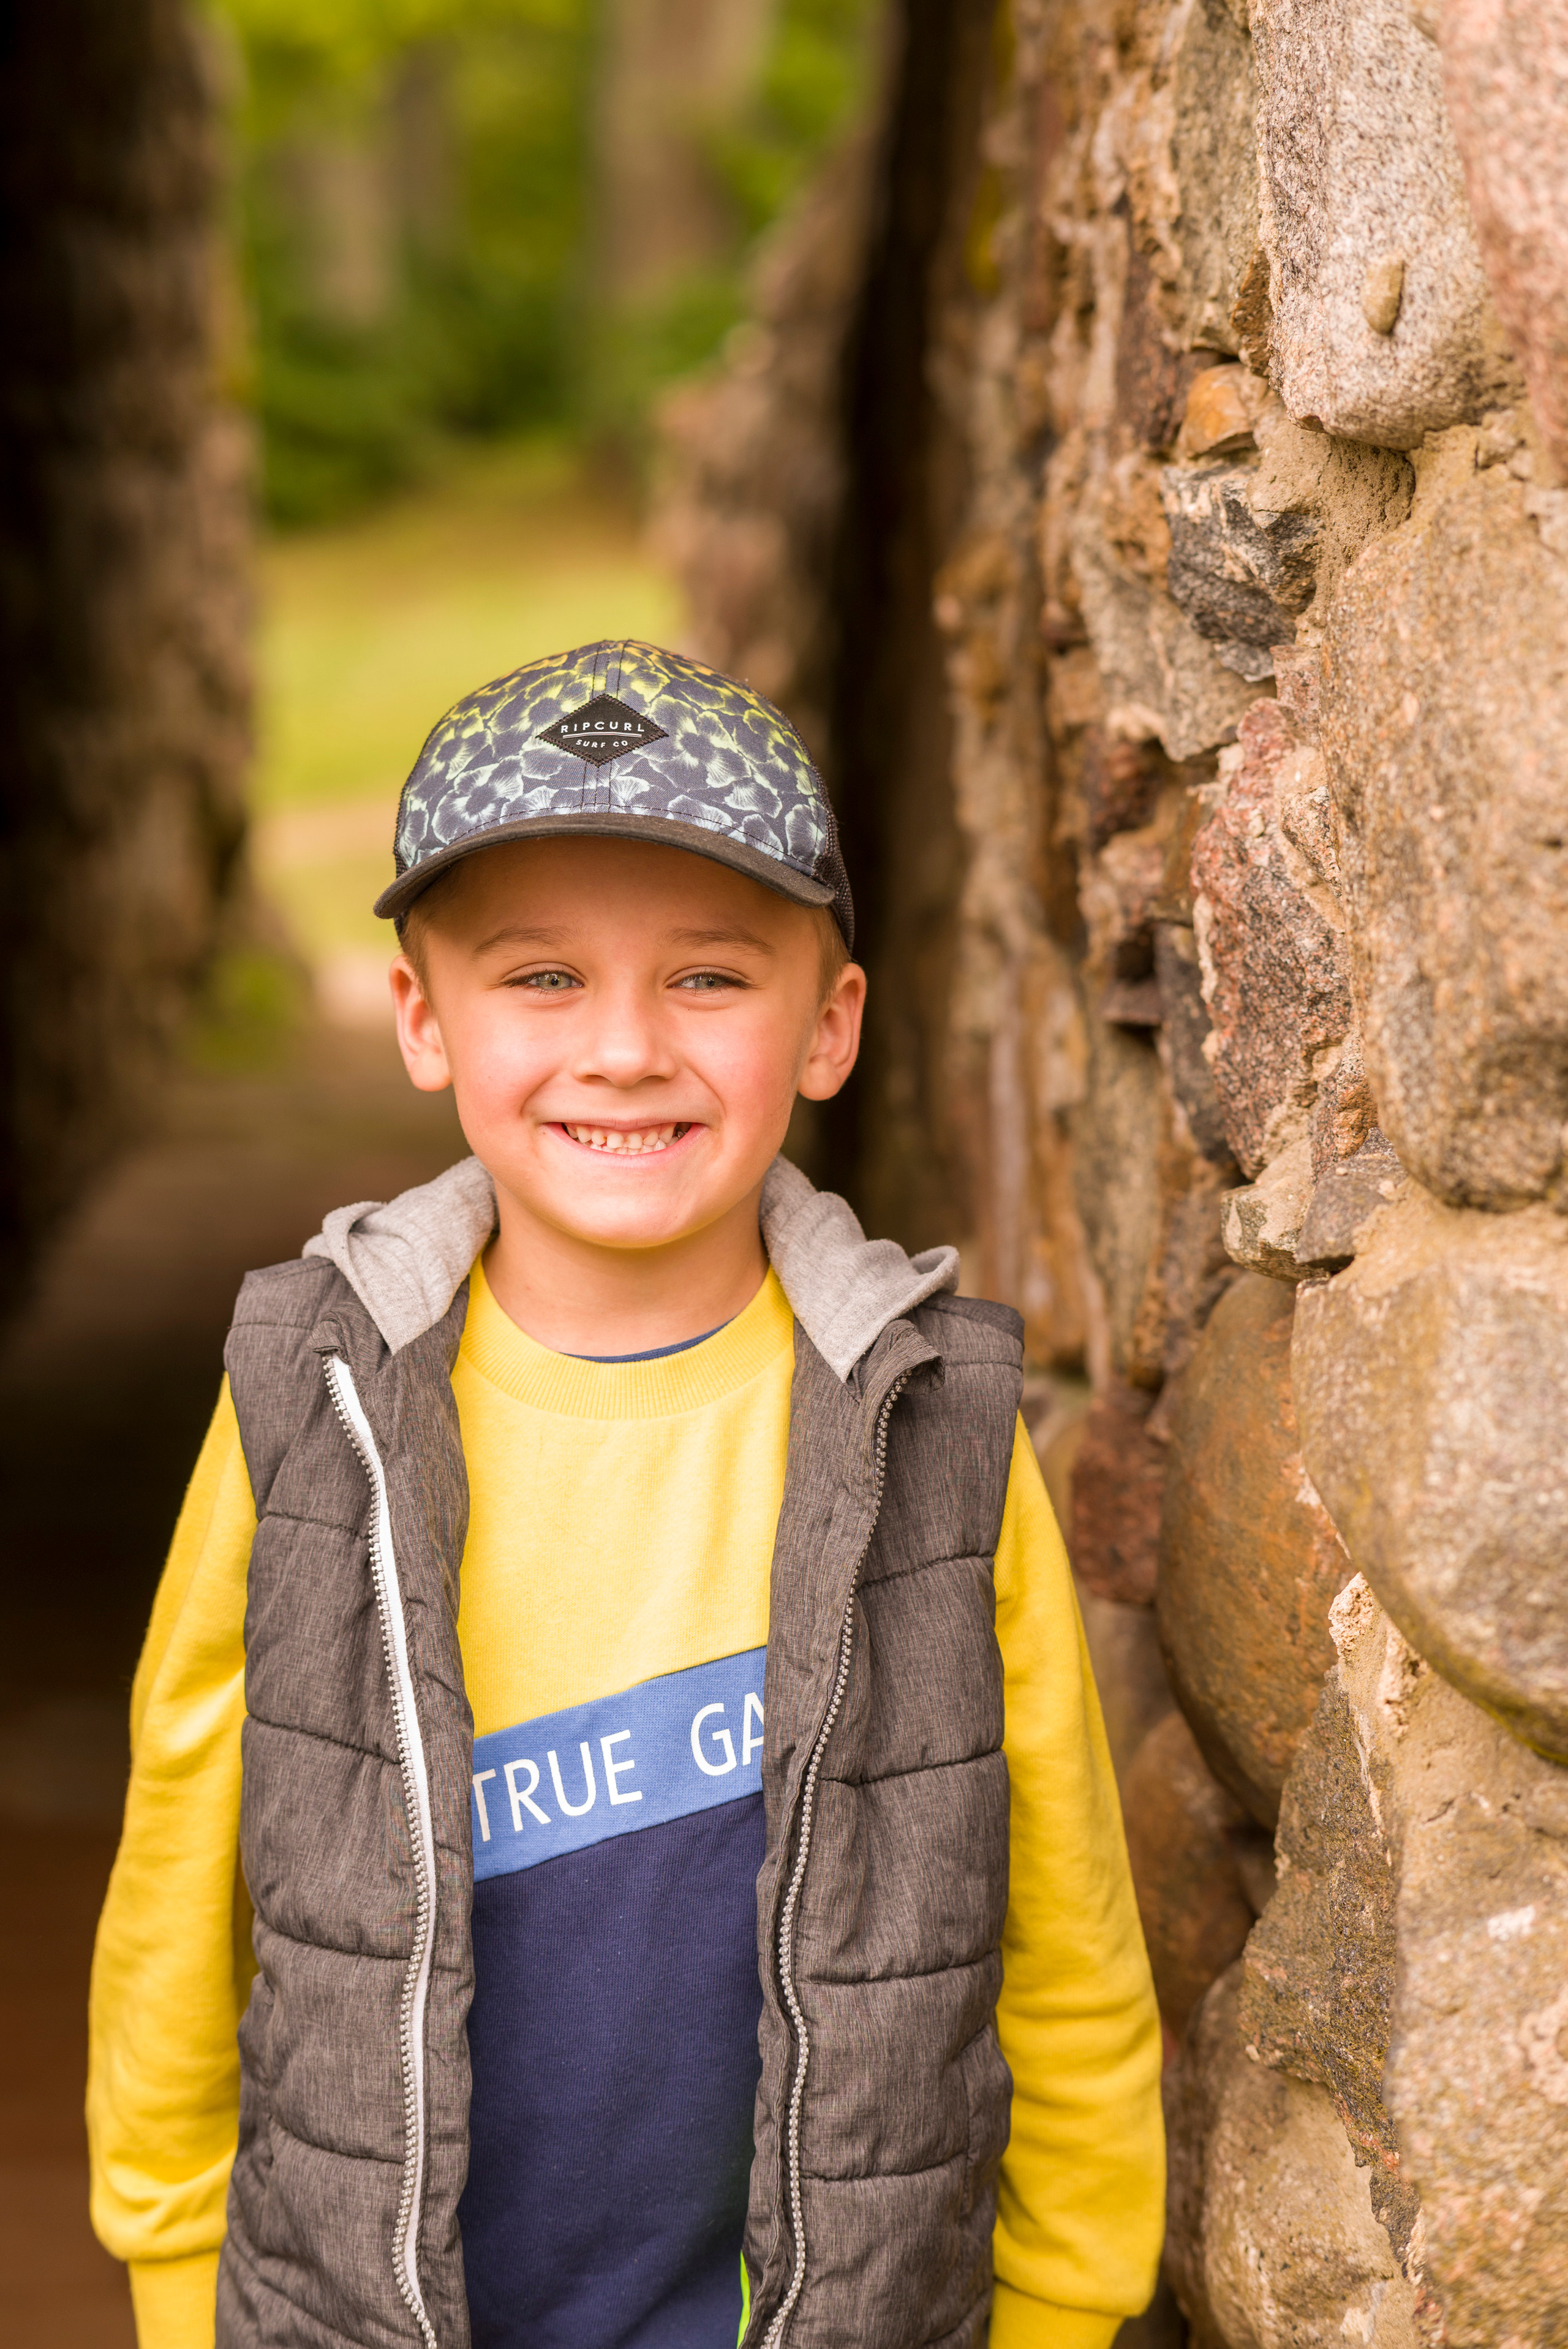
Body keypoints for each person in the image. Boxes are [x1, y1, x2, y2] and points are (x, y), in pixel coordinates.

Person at [88, 640, 1164, 2349]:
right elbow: (178, 1879)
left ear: (832, 1024)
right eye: (541, 976)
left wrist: (1062, 2306)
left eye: (709, 979)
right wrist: (169, 2272)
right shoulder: (313, 1398)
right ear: (425, 1021)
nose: (624, 1048)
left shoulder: (932, 1425)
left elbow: (1068, 1937)